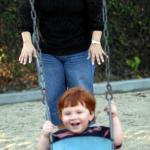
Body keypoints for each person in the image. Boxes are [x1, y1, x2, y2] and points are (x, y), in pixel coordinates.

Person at [18, 0, 106, 125]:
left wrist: (96, 42)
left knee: (82, 96)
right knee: (53, 98)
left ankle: (87, 134)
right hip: (48, 52)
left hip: (79, 50)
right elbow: (25, 13)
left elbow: (96, 14)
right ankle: (61, 135)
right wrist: (27, 43)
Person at [37, 87, 123, 150]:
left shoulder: (100, 132)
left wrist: (114, 117)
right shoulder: (58, 137)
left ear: (91, 115)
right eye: (67, 113)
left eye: (79, 112)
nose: (73, 117)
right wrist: (45, 136)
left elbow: (117, 142)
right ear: (61, 117)